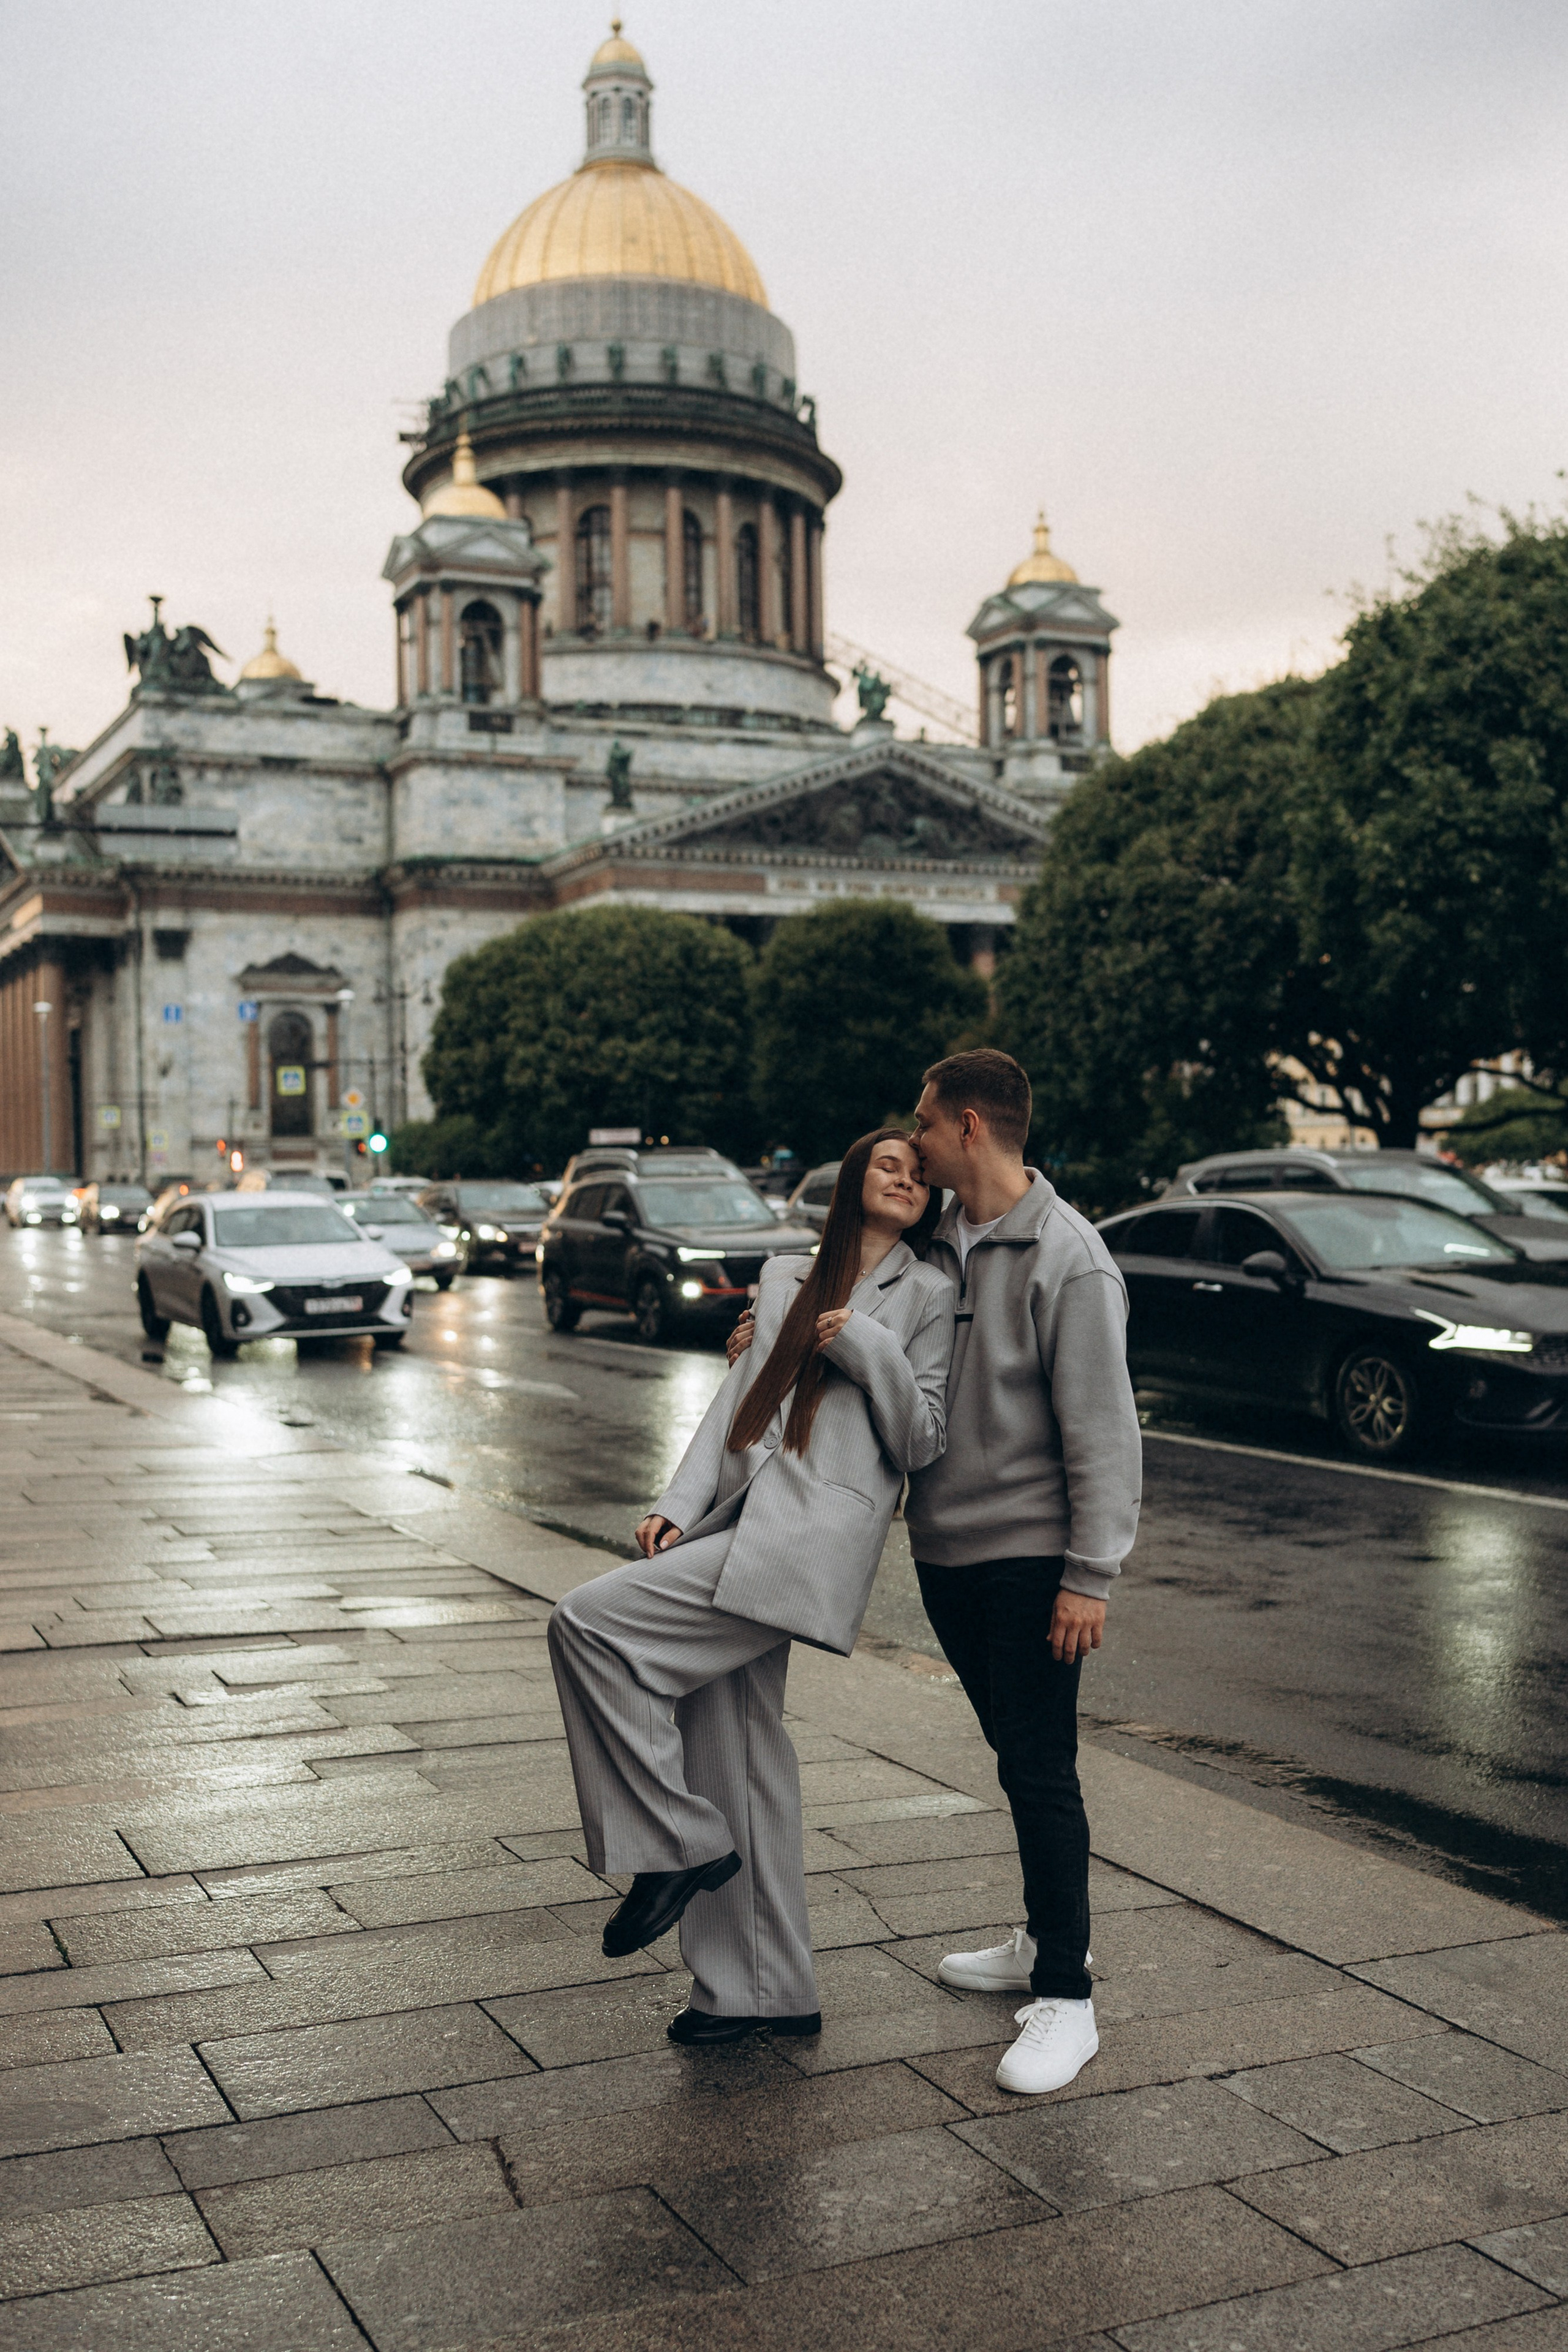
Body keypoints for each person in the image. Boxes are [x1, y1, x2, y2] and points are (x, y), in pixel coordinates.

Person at [547, 1129, 954, 2045]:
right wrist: (677, 1505)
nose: (906, 1178)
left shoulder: (930, 1293)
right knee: (737, 1749)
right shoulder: (781, 1279)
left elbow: (925, 1437)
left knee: (590, 1625)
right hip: (736, 1521)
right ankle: (758, 1993)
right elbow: (738, 1402)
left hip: (807, 1540)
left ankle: (678, 1840)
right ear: (851, 1178)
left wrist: (869, 1350)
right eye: (889, 1164)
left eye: (921, 1175)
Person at [906, 1046, 1142, 2095]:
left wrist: (1089, 1574)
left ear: (967, 1125)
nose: (908, 1137)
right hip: (945, 1552)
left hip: (1033, 1557)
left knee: (1041, 1766)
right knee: (1015, 1753)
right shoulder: (934, 1241)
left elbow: (1104, 1431)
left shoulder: (1068, 1256)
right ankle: (1051, 1940)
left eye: (921, 1119)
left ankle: (1068, 2001)